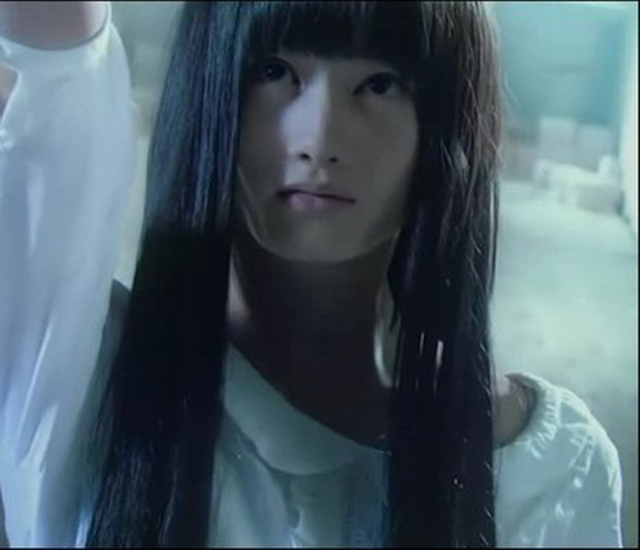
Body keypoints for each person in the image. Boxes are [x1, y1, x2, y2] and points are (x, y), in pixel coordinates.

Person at [0, 1, 623, 547]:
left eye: (379, 85)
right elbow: (59, 74)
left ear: (445, 127)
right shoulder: (74, 369)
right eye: (274, 72)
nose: (319, 139)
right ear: (210, 87)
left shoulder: (555, 472)